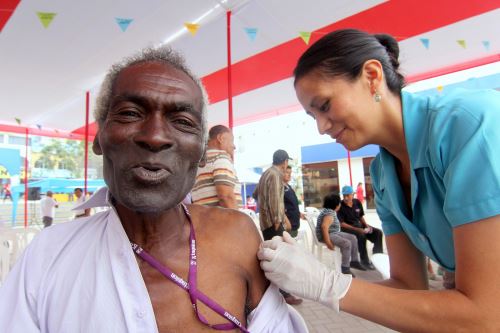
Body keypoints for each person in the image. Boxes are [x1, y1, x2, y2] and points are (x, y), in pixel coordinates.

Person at [0, 46, 302, 332]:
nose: (155, 136)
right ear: (99, 138)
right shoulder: (48, 256)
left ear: (199, 154)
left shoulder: (238, 237)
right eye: (131, 113)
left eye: (182, 121)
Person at [258, 28, 500, 331]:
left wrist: (330, 286)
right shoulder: (383, 174)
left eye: (324, 105)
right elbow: (409, 287)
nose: (321, 127)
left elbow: (486, 315)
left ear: (372, 76)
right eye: (312, 116)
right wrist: (315, 280)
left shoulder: (468, 124)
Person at [255, 149, 302, 305]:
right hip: (273, 223)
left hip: (265, 222)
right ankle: (284, 293)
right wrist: (277, 220)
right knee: (281, 257)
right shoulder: (276, 175)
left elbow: (256, 194)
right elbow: (276, 199)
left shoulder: (265, 173)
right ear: (284, 162)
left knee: (274, 256)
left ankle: (276, 291)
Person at [192, 125, 242, 208]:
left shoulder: (199, 163)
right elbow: (226, 197)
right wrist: (238, 220)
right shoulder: (220, 158)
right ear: (221, 138)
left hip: (203, 218)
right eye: (232, 140)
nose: (234, 146)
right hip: (223, 219)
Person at [316, 193, 366, 276]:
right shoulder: (329, 214)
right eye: (339, 203)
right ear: (336, 205)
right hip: (328, 235)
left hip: (334, 232)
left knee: (353, 237)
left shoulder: (330, 211)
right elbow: (324, 227)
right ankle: (345, 268)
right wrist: (328, 242)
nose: (340, 204)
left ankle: (354, 261)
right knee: (346, 243)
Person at [337, 185, 383, 270]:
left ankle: (377, 258)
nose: (346, 198)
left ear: (353, 194)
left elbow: (361, 216)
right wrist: (357, 229)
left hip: (359, 226)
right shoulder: (340, 206)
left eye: (348, 195)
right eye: (344, 196)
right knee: (361, 235)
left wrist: (366, 225)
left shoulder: (357, 202)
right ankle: (364, 261)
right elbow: (341, 223)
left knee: (378, 233)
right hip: (347, 229)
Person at [283, 166, 304, 238]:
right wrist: (286, 221)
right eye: (287, 172)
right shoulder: (280, 188)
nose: (289, 175)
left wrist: (299, 213)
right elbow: (279, 207)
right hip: (288, 225)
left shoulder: (289, 187)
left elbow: (291, 205)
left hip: (295, 225)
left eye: (290, 173)